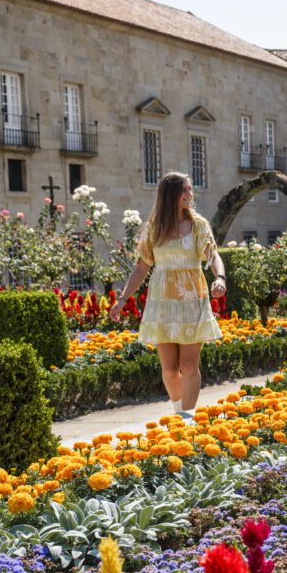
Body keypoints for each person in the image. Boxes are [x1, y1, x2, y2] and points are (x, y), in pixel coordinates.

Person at [109, 172, 226, 417]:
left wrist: (220, 278)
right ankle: (179, 412)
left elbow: (213, 255)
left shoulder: (198, 226)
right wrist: (122, 299)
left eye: (190, 189)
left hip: (192, 300)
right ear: (170, 194)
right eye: (184, 190)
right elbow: (141, 267)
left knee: (189, 365)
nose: (189, 194)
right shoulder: (154, 229)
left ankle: (188, 420)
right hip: (162, 303)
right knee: (170, 369)